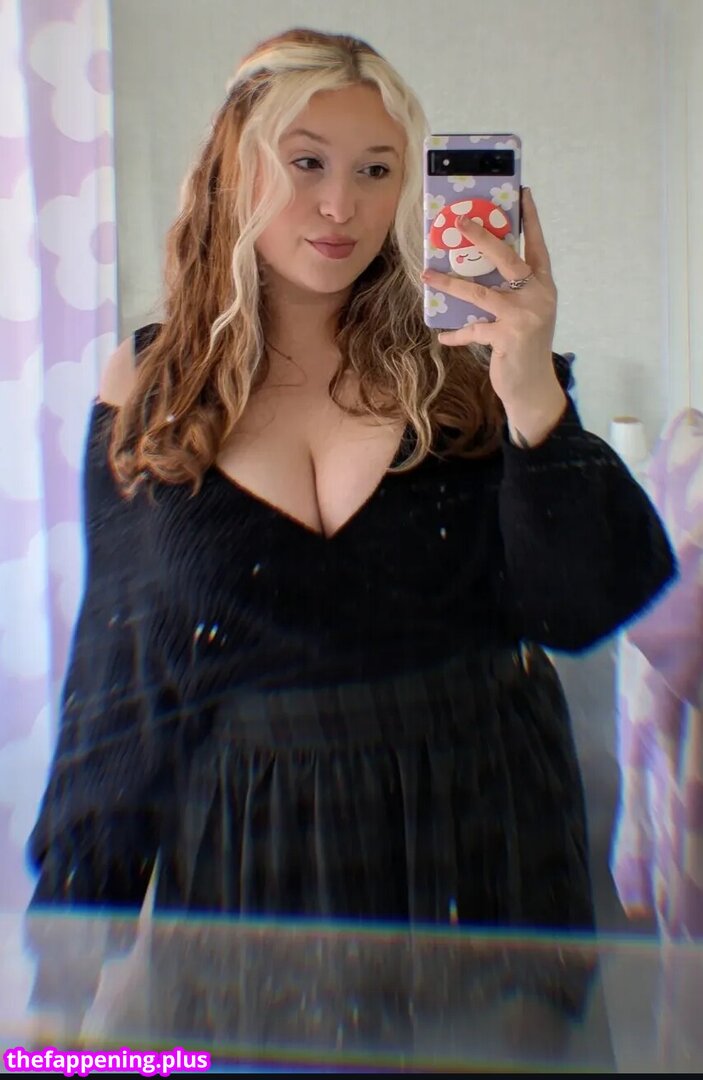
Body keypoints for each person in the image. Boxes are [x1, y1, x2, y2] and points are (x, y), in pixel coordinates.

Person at [28, 28, 675, 1028]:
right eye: (307, 164)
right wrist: (76, 928)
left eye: (376, 170)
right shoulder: (155, 384)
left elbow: (581, 611)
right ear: (237, 169)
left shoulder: (471, 365)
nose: (342, 206)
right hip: (256, 854)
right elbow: (125, 667)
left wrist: (533, 393)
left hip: (485, 832)